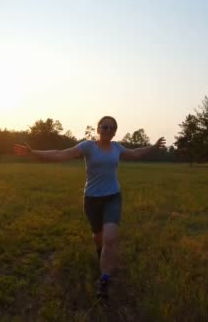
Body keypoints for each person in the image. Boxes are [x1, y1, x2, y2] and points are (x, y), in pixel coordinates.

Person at [13, 116, 166, 301]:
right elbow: (62, 153)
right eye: (105, 126)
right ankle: (99, 252)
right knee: (99, 237)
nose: (108, 130)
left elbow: (136, 153)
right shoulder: (87, 147)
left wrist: (154, 146)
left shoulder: (117, 148)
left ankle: (104, 280)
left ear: (115, 132)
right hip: (92, 200)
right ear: (98, 128)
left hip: (113, 197)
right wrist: (34, 152)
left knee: (110, 239)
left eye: (112, 128)